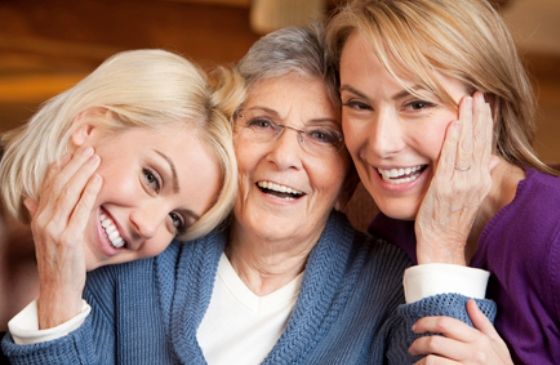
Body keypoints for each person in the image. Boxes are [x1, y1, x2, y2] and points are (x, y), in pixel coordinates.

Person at [3, 26, 497, 364]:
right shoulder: (137, 259)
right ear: (226, 139)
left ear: (350, 174)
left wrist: (442, 240)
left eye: (321, 136)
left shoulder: (391, 289)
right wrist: (57, 302)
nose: (284, 156)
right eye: (262, 123)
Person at [326, 0, 560, 364]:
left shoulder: (552, 231)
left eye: (417, 104)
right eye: (358, 104)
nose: (380, 143)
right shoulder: (379, 222)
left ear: (489, 110)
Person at [0, 49, 238, 353]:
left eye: (176, 219)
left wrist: (58, 297)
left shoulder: (117, 314)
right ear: (87, 129)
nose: (149, 227)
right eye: (151, 178)